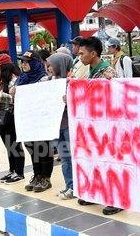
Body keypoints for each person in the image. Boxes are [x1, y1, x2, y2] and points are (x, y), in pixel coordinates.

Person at [76, 37, 121, 213]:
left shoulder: (108, 73)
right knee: (94, 161)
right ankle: (96, 193)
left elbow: (116, 99)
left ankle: (116, 199)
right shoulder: (89, 71)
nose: (79, 57)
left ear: (93, 53)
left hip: (108, 128)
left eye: (82, 53)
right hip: (93, 128)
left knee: (110, 163)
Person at [16, 51, 54, 192]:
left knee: (43, 148)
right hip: (28, 120)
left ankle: (46, 178)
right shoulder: (23, 78)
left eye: (27, 62)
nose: (24, 64)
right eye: (23, 62)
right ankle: (37, 175)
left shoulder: (43, 79)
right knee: (32, 148)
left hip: (41, 120)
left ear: (35, 63)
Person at [47, 53, 75, 199]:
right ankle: (69, 185)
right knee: (64, 158)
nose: (49, 68)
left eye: (51, 65)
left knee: (72, 157)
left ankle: (76, 187)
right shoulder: (51, 81)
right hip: (57, 125)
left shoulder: (71, 82)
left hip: (70, 125)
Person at [0, 61, 25, 183]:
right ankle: (12, 170)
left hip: (12, 117)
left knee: (14, 144)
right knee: (8, 145)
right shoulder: (2, 82)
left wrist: (3, 96)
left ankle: (19, 172)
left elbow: (16, 99)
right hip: (1, 117)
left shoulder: (16, 81)